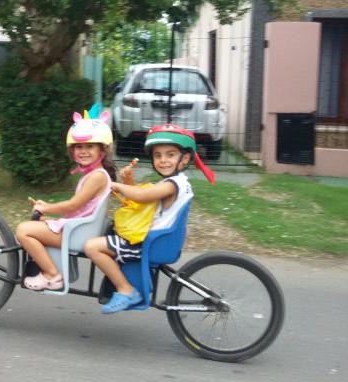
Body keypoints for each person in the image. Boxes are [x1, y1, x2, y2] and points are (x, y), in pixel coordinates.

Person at [84, 123, 215, 313]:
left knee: (92, 246)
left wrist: (113, 184)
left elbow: (142, 196)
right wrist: (128, 182)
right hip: (154, 240)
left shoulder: (172, 184)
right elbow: (141, 200)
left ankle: (126, 290)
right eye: (157, 155)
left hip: (146, 243)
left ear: (185, 158)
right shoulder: (176, 182)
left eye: (170, 155)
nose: (163, 160)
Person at [16, 105, 116, 291]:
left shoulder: (97, 176)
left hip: (79, 234)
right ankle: (49, 268)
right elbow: (79, 208)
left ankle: (52, 275)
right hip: (79, 228)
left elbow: (73, 205)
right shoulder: (95, 174)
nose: (83, 151)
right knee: (39, 224)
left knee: (23, 230)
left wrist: (46, 207)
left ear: (102, 150)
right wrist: (50, 215)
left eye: (89, 146)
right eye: (79, 147)